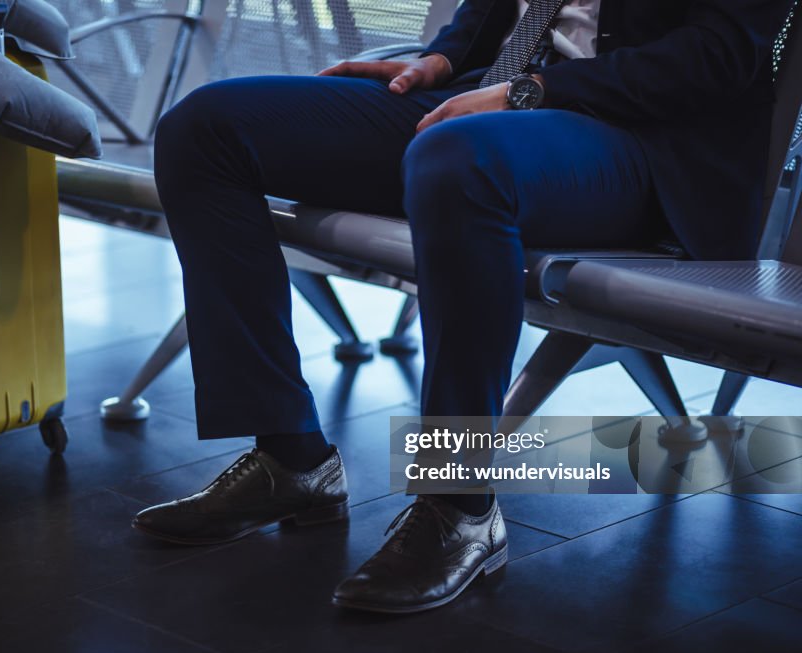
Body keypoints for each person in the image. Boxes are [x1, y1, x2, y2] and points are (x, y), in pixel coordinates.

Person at [132, 0, 792, 613]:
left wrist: (530, 91)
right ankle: (289, 457)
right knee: (205, 127)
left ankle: (460, 501)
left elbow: (724, 53)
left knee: (459, 159)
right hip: (487, 102)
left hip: (640, 141)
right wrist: (444, 59)